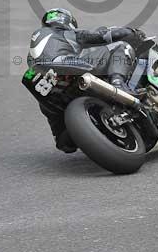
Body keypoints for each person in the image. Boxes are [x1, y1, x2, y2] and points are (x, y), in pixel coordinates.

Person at [26, 8, 144, 152]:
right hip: (67, 65)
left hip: (42, 84)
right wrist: (131, 32)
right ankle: (118, 83)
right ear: (67, 21)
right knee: (121, 47)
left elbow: (66, 148)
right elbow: (102, 36)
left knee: (62, 137)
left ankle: (71, 131)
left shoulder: (34, 48)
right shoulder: (66, 32)